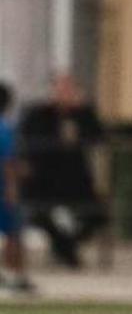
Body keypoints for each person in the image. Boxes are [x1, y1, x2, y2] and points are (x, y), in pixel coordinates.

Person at [19, 74, 107, 268]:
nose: (64, 94)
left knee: (98, 215)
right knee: (37, 214)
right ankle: (66, 250)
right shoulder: (38, 114)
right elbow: (27, 141)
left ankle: (66, 246)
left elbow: (99, 137)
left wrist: (81, 113)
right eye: (60, 89)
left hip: (75, 181)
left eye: (68, 89)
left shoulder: (83, 114)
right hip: (43, 181)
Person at [0, 83, 35, 292]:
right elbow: (8, 162)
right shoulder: (5, 129)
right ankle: (14, 274)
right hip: (3, 190)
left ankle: (9, 273)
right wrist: (13, 187)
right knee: (14, 234)